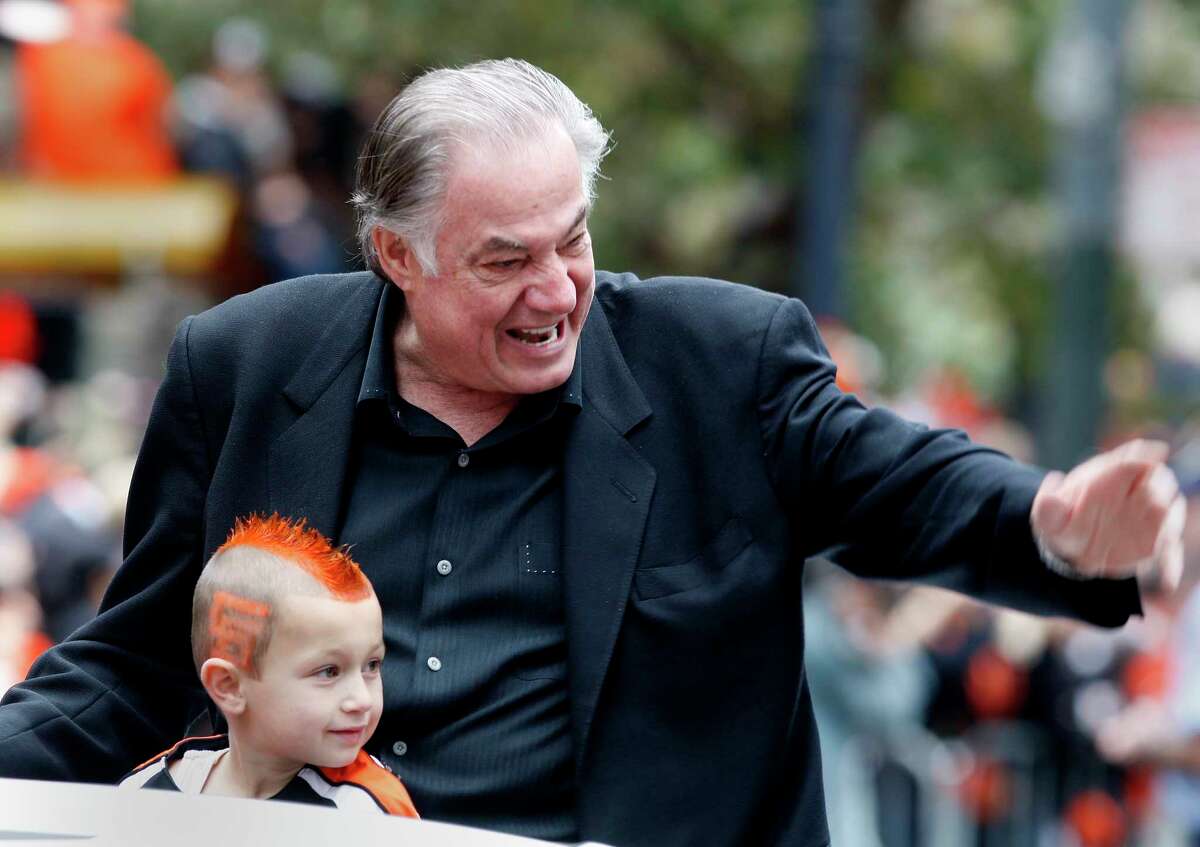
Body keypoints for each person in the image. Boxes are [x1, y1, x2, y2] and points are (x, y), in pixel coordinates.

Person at [0, 59, 1185, 847]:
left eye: (574, 239)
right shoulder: (245, 364)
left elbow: (903, 487)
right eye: (505, 260)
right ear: (396, 257)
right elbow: (146, 653)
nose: (558, 291)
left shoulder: (719, 361)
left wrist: (1055, 522)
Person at [119, 513, 418, 817]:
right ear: (229, 685)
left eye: (371, 665)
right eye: (329, 671)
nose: (362, 700)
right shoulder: (146, 793)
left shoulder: (368, 815)